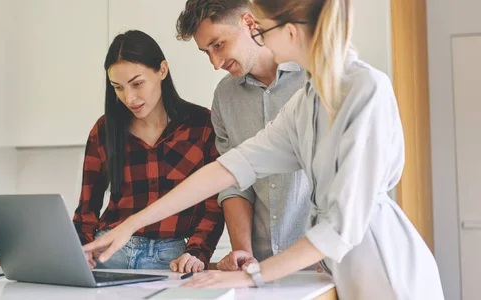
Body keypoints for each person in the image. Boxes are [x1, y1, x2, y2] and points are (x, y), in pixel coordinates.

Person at [82, 1, 445, 299]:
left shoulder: (366, 89)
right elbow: (232, 167)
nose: (259, 35)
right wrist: (132, 224)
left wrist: (250, 277)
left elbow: (340, 228)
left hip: (386, 265)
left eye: (263, 28)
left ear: (288, 32)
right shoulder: (306, 103)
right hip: (339, 271)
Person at [175, 0, 313, 272]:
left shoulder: (313, 78)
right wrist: (243, 253)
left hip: (319, 261)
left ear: (249, 23)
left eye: (218, 45)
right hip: (260, 266)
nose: (215, 63)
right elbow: (234, 183)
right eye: (206, 52)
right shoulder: (224, 97)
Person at [73, 30, 224, 273]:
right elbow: (86, 211)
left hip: (173, 258)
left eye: (137, 83)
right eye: (118, 88)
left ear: (162, 70)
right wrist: (79, 251)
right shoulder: (104, 130)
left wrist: (197, 252)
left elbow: (215, 203)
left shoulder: (202, 125)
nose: (129, 98)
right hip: (109, 251)